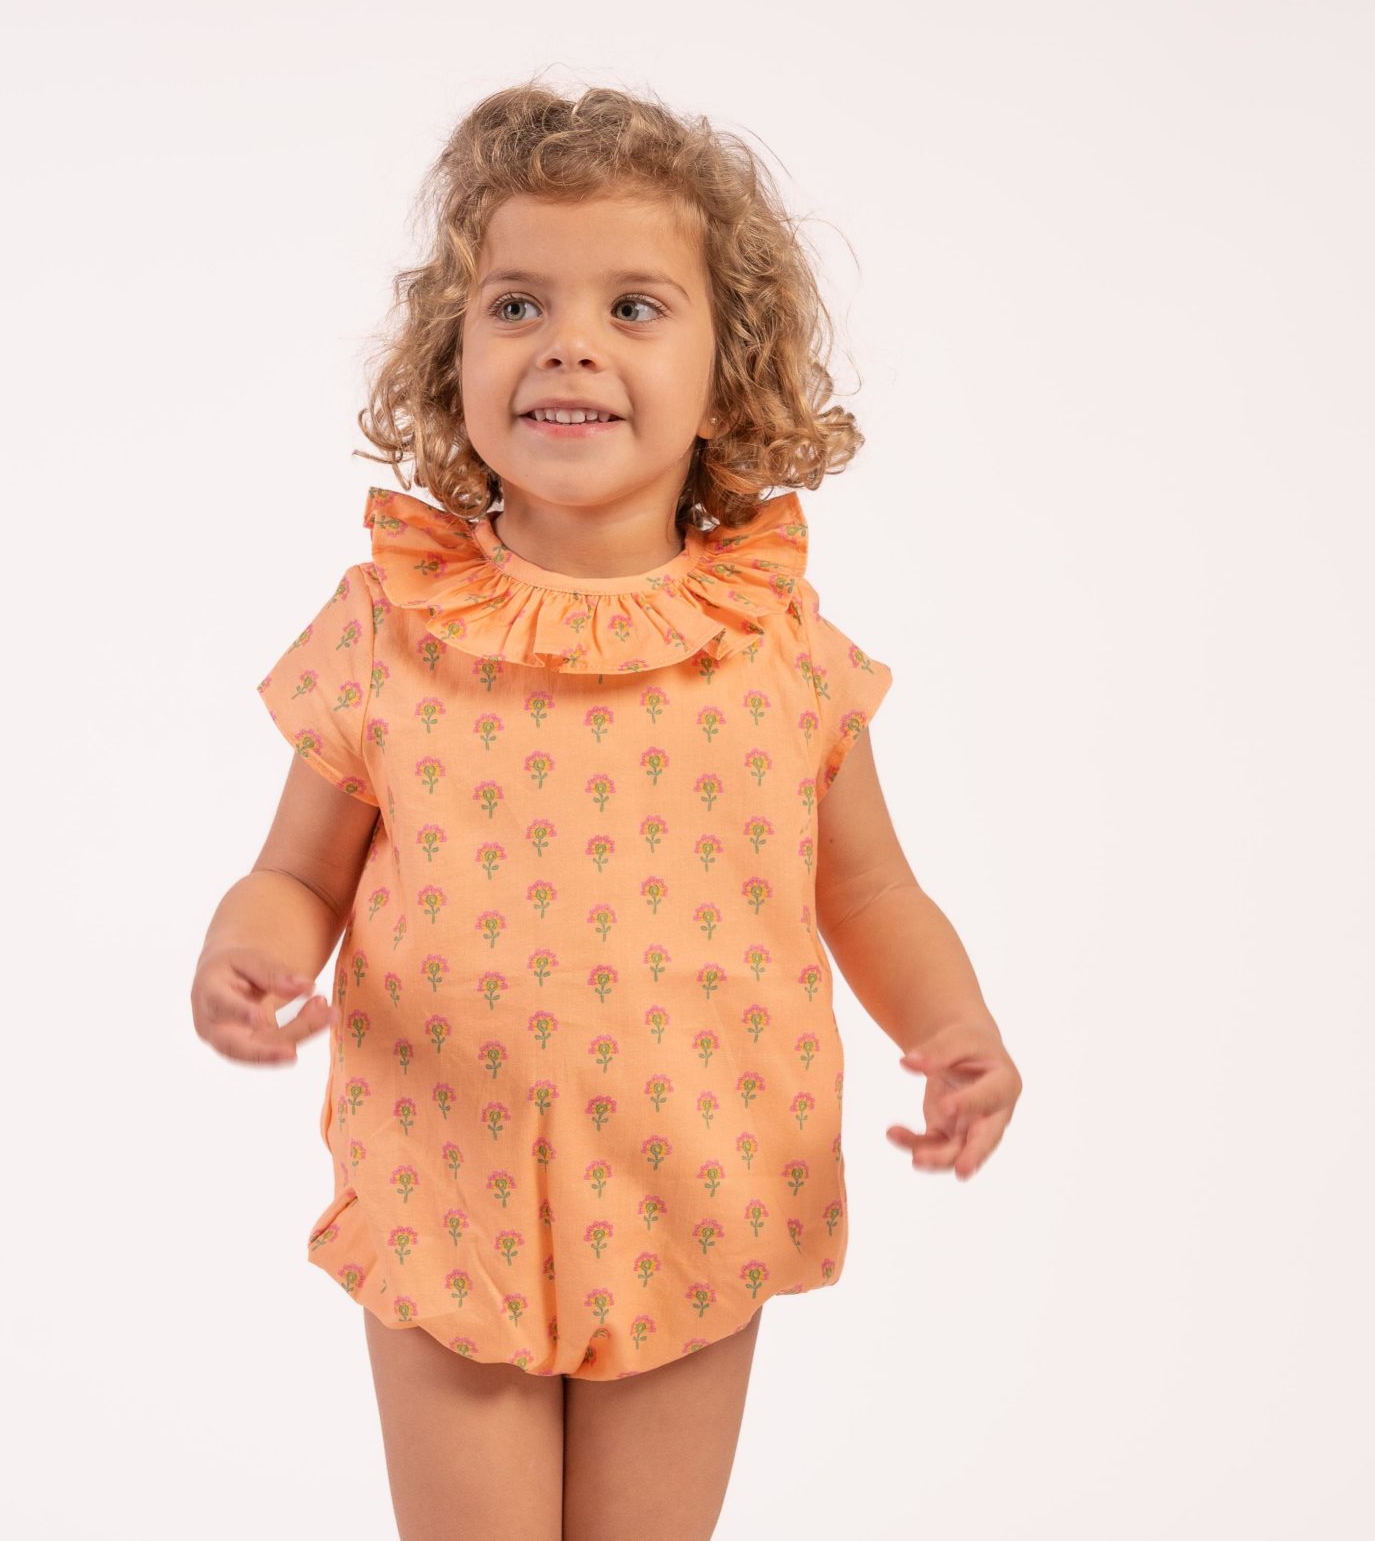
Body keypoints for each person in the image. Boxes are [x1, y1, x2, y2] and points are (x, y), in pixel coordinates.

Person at [189, 81, 1022, 1541]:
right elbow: (300, 878)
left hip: (698, 1177)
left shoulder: (775, 643)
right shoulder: (391, 625)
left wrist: (953, 1028)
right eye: (517, 304)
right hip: (447, 1183)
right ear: (452, 351)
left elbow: (870, 890)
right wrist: (248, 951)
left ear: (729, 371)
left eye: (634, 307)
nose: (568, 341)